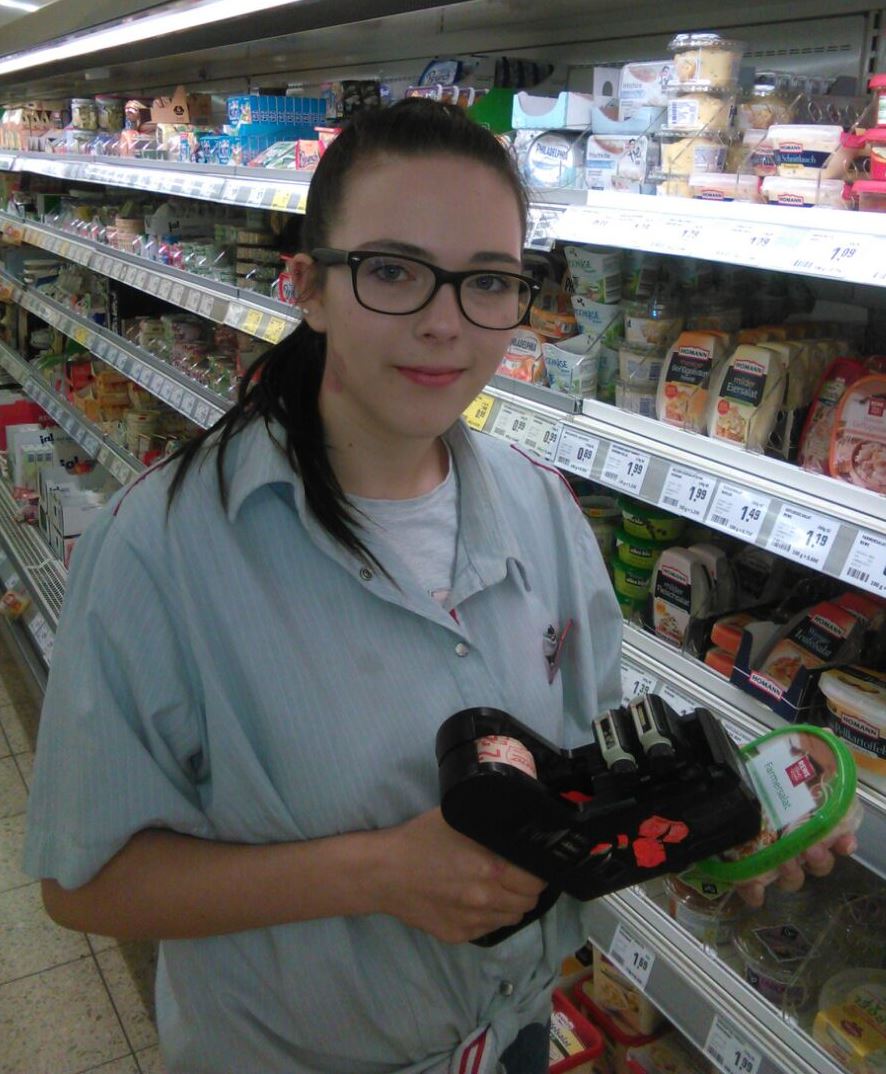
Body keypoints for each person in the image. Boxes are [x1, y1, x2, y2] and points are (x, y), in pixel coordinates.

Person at [24, 99, 854, 1074]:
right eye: (392, 270)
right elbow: (84, 883)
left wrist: (719, 824)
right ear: (309, 287)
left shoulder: (541, 511)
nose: (444, 323)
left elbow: (580, 788)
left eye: (488, 281)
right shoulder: (160, 547)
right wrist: (375, 873)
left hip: (514, 1037)